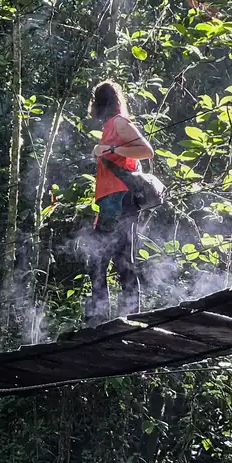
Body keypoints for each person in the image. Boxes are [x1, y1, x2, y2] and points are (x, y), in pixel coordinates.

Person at [86, 79, 156, 319]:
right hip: (108, 204)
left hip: (123, 201)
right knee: (98, 261)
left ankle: (128, 317)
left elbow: (146, 151)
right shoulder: (108, 127)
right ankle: (100, 318)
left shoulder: (118, 123)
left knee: (121, 260)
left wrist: (113, 150)